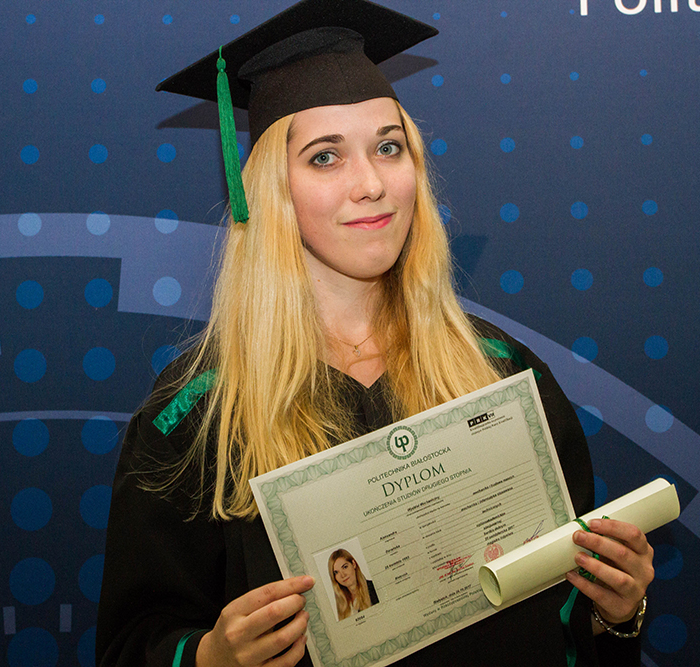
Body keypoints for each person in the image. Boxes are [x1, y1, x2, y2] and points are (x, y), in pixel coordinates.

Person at [96, 1, 655, 666]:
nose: (370, 184)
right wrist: (210, 657)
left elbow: (559, 619)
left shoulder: (503, 373)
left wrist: (614, 612)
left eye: (389, 147)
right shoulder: (196, 415)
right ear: (272, 191)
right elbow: (133, 643)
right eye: (325, 157)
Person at [328, 549, 379, 621]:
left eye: (345, 567)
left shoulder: (374, 588)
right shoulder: (341, 603)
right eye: (336, 572)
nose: (342, 575)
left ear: (354, 564)